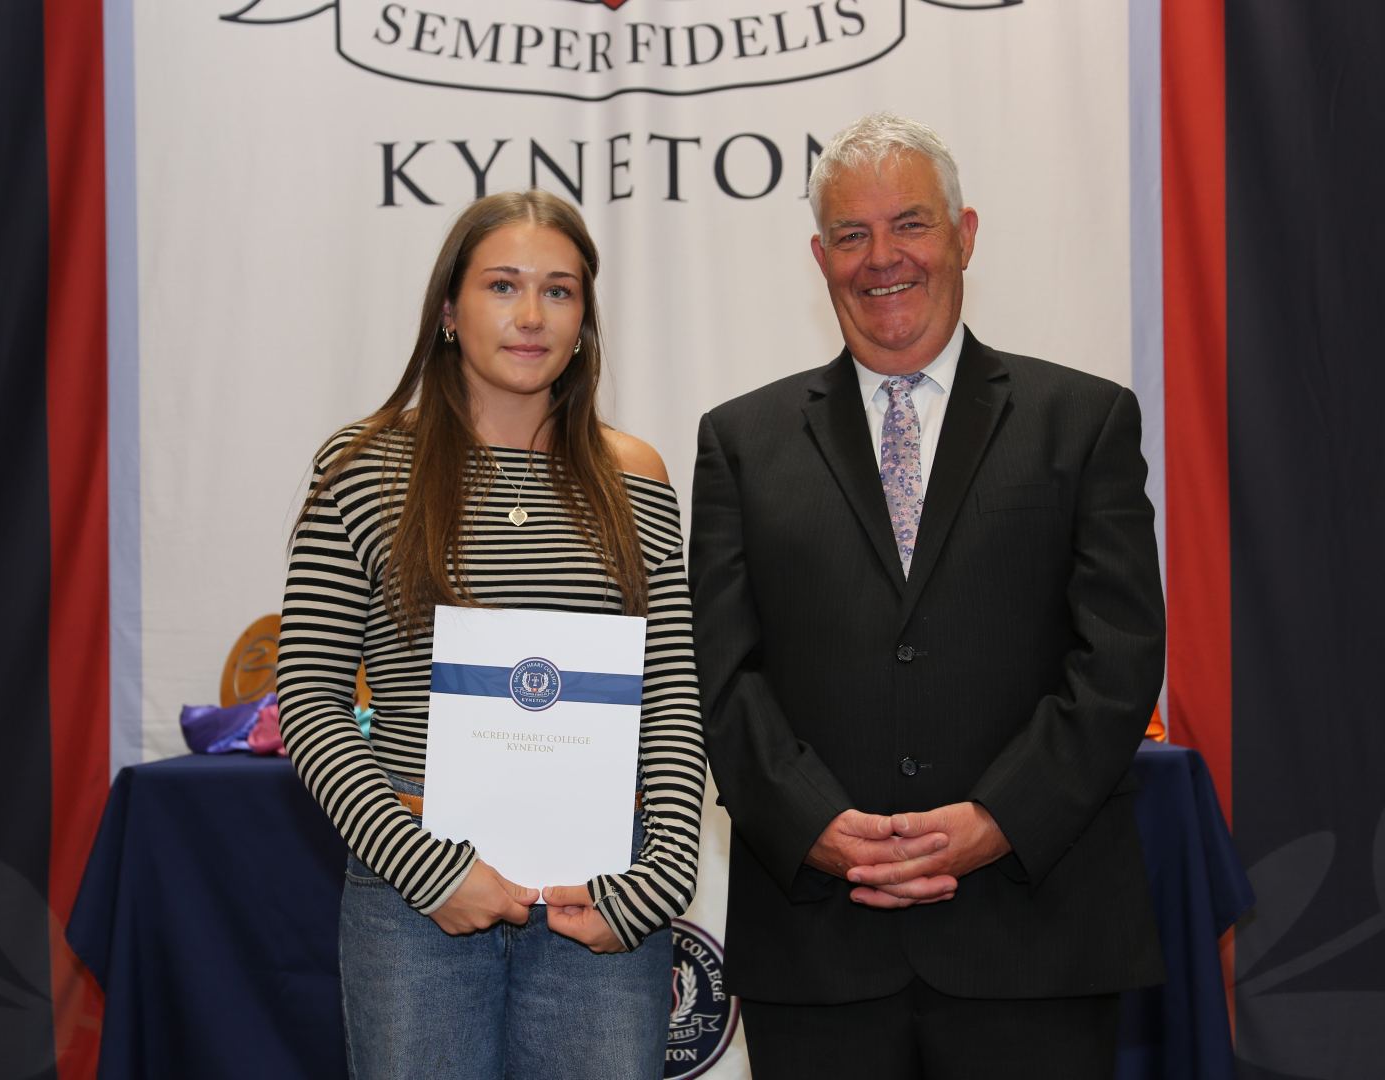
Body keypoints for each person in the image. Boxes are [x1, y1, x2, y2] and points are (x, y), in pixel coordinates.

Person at [688, 113, 1166, 1079]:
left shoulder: (1085, 421)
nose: (883, 258)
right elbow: (722, 674)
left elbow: (1118, 660)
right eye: (852, 235)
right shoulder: (740, 441)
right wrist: (816, 827)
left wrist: (998, 819)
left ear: (965, 234)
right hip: (819, 949)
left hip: (1034, 941)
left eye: (910, 223)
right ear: (819, 257)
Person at [276, 190, 705, 1080]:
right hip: (414, 898)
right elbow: (309, 701)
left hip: (604, 902)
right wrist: (425, 869)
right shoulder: (362, 469)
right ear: (448, 309)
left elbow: (670, 696)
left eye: (559, 291)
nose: (531, 315)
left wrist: (660, 879)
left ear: (584, 319)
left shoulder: (639, 478)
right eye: (502, 285)